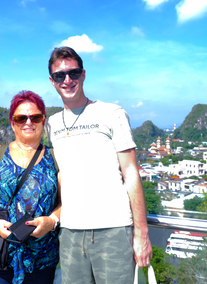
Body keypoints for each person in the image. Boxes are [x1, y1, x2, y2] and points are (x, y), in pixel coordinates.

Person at [46, 46, 153, 284]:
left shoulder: (111, 113)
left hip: (114, 230)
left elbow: (131, 172)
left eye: (73, 73)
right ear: (52, 81)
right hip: (70, 232)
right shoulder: (52, 124)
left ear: (83, 74)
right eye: (59, 76)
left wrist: (141, 233)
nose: (67, 80)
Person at [0, 90, 61, 284]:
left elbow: (67, 201)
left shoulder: (55, 158)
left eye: (35, 117)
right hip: (0, 253)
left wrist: (51, 222)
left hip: (42, 257)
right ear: (13, 123)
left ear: (43, 121)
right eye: (21, 118)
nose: (28, 122)